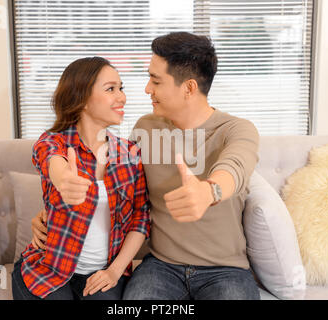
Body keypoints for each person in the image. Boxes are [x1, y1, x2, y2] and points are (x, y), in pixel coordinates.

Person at [32, 32, 261, 300]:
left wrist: (210, 192)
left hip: (225, 270)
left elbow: (234, 167)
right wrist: (52, 209)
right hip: (162, 267)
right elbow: (114, 183)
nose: (146, 89)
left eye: (155, 80)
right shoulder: (145, 128)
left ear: (188, 88)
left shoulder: (236, 130)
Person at [11, 56, 151, 300]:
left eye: (121, 88)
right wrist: (64, 180)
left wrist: (114, 272)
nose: (122, 97)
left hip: (103, 273)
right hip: (49, 269)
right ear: (83, 99)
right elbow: (51, 160)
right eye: (110, 89)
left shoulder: (130, 154)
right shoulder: (53, 142)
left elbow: (141, 217)